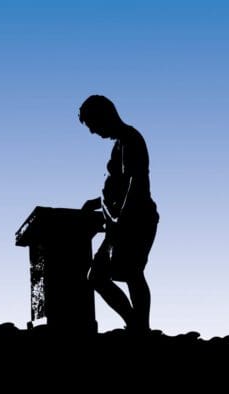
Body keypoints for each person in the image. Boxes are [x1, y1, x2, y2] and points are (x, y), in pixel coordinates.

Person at [79, 95, 160, 333]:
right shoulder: (120, 143)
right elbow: (119, 185)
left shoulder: (130, 139)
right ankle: (135, 323)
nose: (93, 132)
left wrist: (122, 216)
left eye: (93, 125)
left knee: (132, 273)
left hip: (133, 220)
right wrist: (97, 202)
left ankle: (140, 327)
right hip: (117, 222)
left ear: (103, 116)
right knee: (98, 276)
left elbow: (136, 181)